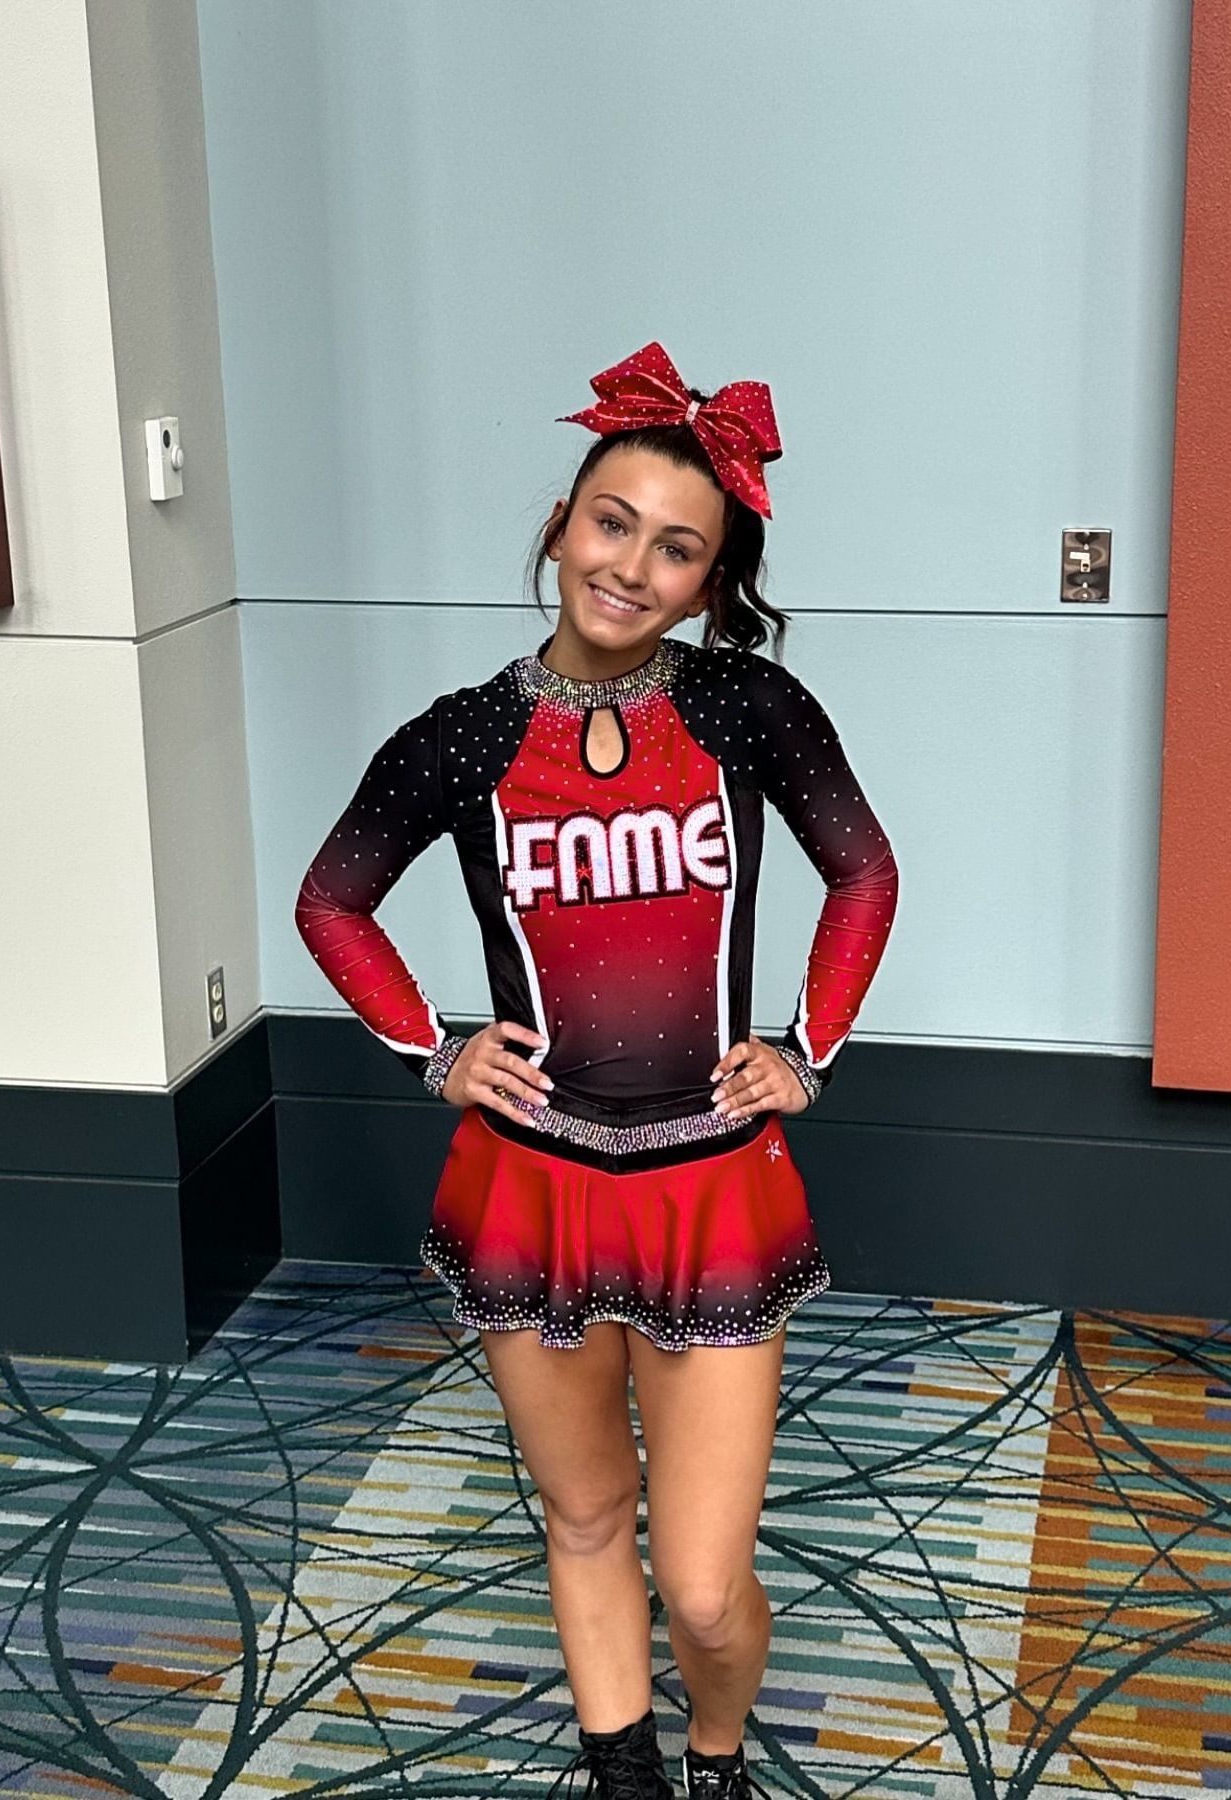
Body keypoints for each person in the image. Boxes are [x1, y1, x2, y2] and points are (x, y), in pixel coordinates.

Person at [295, 341, 900, 1799]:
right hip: (532, 1188)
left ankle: (714, 1751)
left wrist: (804, 1051)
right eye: (613, 522)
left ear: (709, 580)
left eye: (677, 549)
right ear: (564, 522)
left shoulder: (753, 712)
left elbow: (863, 874)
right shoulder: (468, 736)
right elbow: (333, 901)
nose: (632, 566)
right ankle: (619, 1762)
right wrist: (433, 1048)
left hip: (711, 1191)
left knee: (701, 1586)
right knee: (581, 1519)